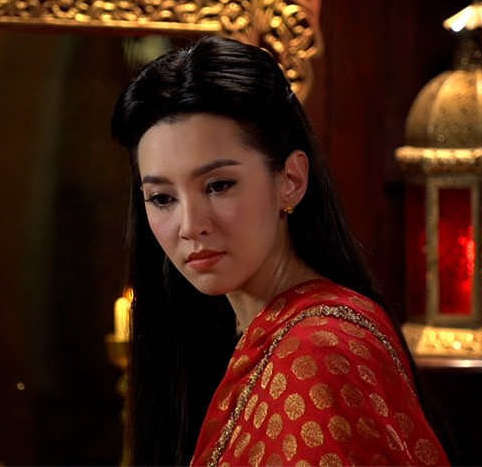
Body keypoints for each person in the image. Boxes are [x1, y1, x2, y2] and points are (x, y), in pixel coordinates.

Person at [110, 36, 450, 466]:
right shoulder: (242, 337)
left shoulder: (318, 352)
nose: (191, 225)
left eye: (218, 185)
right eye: (162, 198)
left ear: (290, 180)